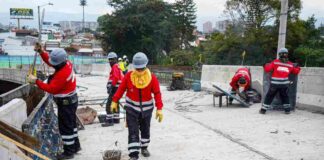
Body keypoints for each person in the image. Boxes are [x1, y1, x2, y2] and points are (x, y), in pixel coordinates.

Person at [27, 44, 80, 160]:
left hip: (66, 103)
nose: (52, 65)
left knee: (65, 128)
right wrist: (42, 52)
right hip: (71, 101)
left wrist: (36, 81)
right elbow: (52, 62)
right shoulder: (65, 63)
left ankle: (69, 152)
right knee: (71, 125)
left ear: (59, 63)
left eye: (55, 63)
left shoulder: (62, 74)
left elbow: (51, 88)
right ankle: (76, 146)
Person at [110, 52, 163, 160]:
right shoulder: (129, 76)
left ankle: (144, 147)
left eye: (141, 69)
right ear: (134, 66)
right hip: (131, 108)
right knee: (132, 130)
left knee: (145, 129)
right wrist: (114, 100)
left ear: (145, 66)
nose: (139, 71)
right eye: (137, 69)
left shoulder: (152, 78)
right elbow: (121, 89)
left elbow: (157, 93)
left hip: (147, 109)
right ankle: (133, 154)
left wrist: (159, 108)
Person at [260, 48, 301, 114]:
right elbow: (295, 72)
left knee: (269, 96)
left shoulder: (275, 62)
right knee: (285, 97)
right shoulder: (290, 64)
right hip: (284, 85)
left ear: (279, 54)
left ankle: (263, 110)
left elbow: (268, 69)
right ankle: (287, 110)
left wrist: (264, 65)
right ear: (287, 55)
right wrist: (298, 67)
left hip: (274, 84)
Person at [106, 52, 124, 125]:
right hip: (117, 88)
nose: (110, 61)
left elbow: (116, 78)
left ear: (115, 59)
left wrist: (111, 87)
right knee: (115, 103)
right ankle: (116, 120)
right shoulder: (117, 66)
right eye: (109, 60)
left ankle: (109, 121)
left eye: (112, 59)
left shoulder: (115, 66)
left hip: (115, 89)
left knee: (109, 104)